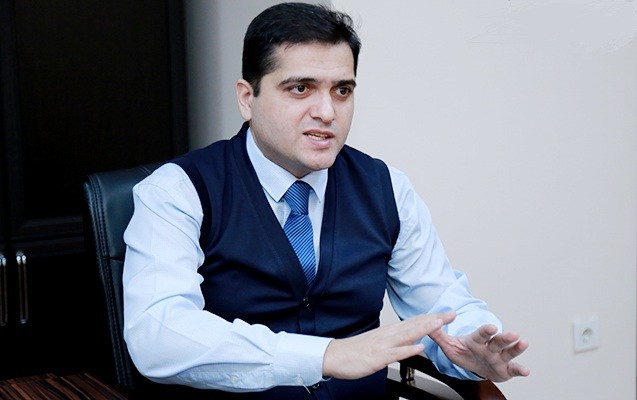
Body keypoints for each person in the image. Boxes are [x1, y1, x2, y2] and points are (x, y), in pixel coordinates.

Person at [122, 2, 529, 399]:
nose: (327, 112)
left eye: (342, 90)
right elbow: (157, 335)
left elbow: (441, 302)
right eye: (300, 88)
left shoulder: (387, 188)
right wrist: (325, 356)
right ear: (247, 98)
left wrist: (472, 347)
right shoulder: (178, 190)